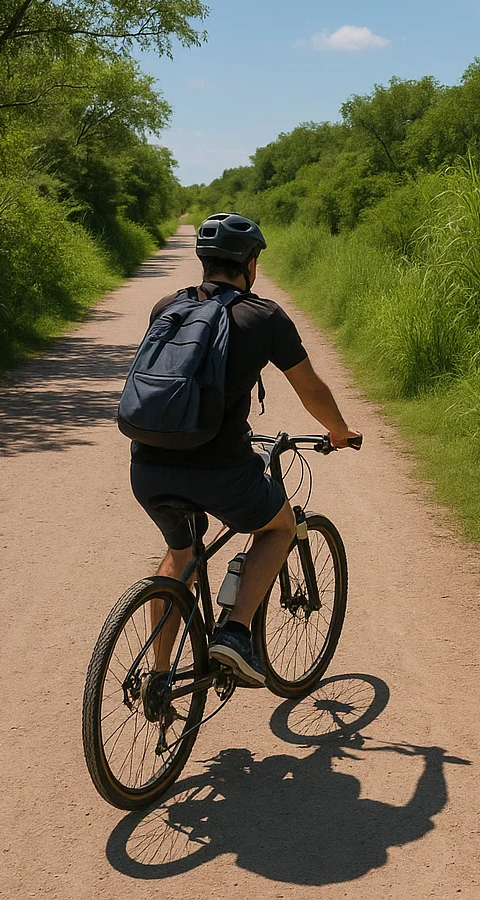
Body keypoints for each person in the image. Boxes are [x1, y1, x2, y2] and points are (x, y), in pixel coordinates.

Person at [130, 213, 360, 686]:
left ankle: (158, 676)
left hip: (147, 464)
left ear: (205, 261)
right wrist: (338, 429)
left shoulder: (165, 307)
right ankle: (235, 634)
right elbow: (310, 389)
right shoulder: (264, 317)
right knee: (279, 526)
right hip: (218, 469)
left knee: (181, 552)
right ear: (250, 263)